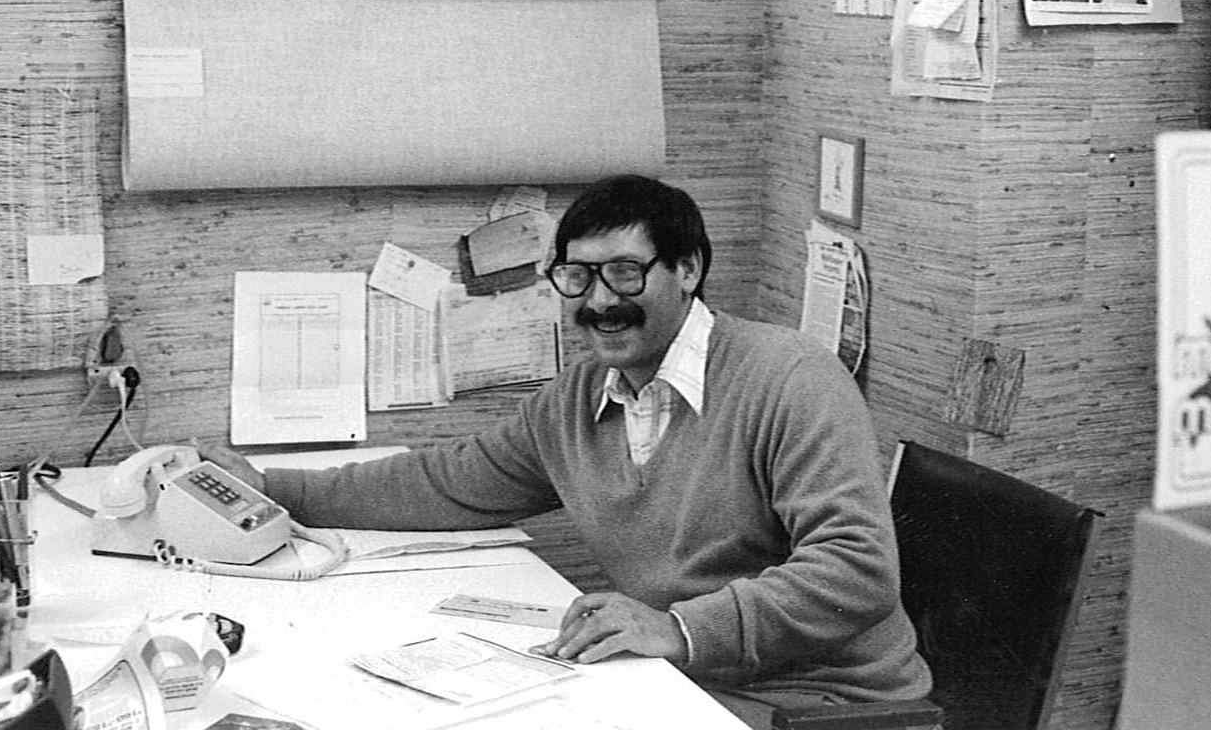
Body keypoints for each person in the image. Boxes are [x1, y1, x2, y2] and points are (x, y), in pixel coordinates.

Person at [202, 175, 931, 728]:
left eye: (625, 272)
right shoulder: (581, 396)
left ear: (688, 270)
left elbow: (856, 569)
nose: (599, 302)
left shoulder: (791, 379)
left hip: (820, 706)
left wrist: (678, 629)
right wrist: (272, 487)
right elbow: (447, 482)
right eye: (577, 277)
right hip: (681, 683)